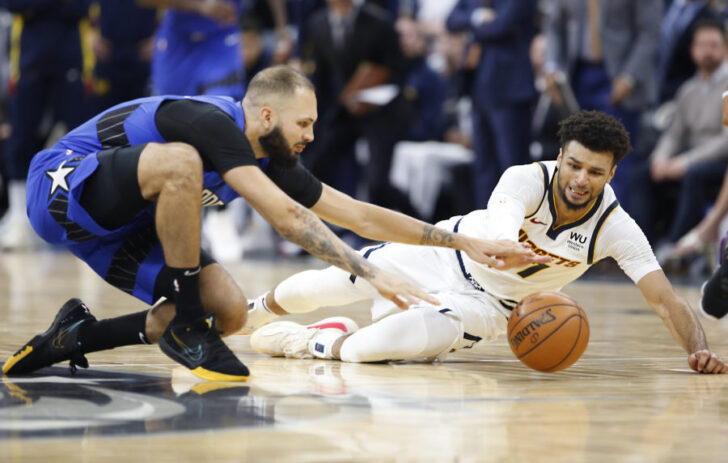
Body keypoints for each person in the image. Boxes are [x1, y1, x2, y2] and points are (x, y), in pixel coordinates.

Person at [2, 66, 541, 382]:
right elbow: (288, 219)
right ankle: (187, 326)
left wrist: (467, 241)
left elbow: (357, 214)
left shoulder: (271, 158)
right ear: (265, 117)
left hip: (124, 227)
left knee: (232, 313)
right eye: (302, 123)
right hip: (64, 192)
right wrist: (372, 274)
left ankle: (77, 336)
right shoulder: (209, 122)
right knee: (182, 163)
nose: (309, 134)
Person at [249, 110, 727, 374]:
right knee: (323, 285)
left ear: (611, 174)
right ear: (560, 156)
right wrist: (504, 243)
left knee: (366, 352)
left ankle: (317, 342)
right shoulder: (524, 179)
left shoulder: (615, 227)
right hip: (442, 256)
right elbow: (502, 221)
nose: (581, 179)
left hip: (492, 307)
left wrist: (698, 349)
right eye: (574, 165)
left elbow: (666, 301)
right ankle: (244, 313)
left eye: (595, 172)